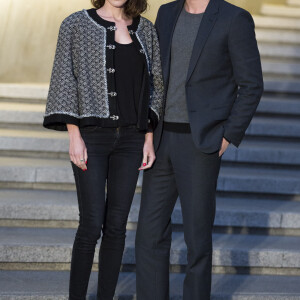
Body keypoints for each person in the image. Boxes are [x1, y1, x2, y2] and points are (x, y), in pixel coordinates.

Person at [135, 0, 264, 299]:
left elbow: (252, 84)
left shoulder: (234, 18)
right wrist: (147, 130)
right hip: (161, 138)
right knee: (149, 235)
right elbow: (152, 73)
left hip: (201, 143)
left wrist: (227, 136)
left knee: (197, 239)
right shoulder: (167, 13)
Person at [42, 0, 164, 298]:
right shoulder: (76, 24)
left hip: (132, 140)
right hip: (91, 137)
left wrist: (148, 136)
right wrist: (74, 134)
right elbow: (63, 79)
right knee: (91, 224)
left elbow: (156, 84)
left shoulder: (146, 30)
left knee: (117, 227)